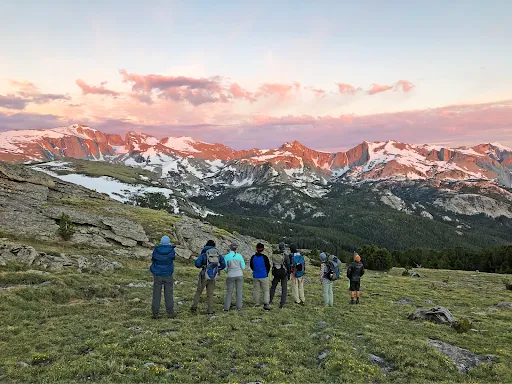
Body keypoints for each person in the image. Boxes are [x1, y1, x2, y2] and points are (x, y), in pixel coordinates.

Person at [191, 240, 226, 314]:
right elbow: (223, 265)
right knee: (210, 293)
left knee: (199, 291)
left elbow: (197, 264)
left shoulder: (204, 253)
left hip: (204, 274)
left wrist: (203, 266)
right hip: (213, 275)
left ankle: (194, 307)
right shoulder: (217, 254)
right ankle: (210, 310)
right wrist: (217, 269)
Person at [150, 235, 177, 319]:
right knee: (169, 294)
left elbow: (153, 259)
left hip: (157, 274)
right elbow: (173, 258)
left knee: (156, 294)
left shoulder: (156, 250)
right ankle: (170, 312)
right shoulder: (171, 250)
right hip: (168, 274)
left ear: (161, 242)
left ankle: (155, 313)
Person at [223, 241, 246, 311]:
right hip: (239, 274)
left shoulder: (227, 256)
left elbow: (224, 267)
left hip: (230, 275)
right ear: (236, 248)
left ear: (230, 248)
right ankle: (239, 307)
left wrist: (227, 271)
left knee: (229, 292)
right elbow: (243, 267)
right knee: (239, 291)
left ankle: (226, 308)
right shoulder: (239, 256)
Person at [250, 243, 271, 310]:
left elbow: (251, 266)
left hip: (256, 275)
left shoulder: (253, 257)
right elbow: (268, 266)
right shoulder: (265, 257)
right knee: (265, 290)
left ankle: (256, 303)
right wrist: (266, 273)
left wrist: (255, 270)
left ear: (256, 249)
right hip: (264, 275)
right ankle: (266, 303)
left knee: (256, 290)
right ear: (263, 249)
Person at [269, 242, 291, 308]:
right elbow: (288, 265)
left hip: (276, 272)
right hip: (284, 273)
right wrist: (289, 274)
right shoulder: (285, 256)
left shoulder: (275, 255)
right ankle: (282, 304)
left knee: (273, 287)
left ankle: (270, 300)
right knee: (284, 289)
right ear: (284, 248)